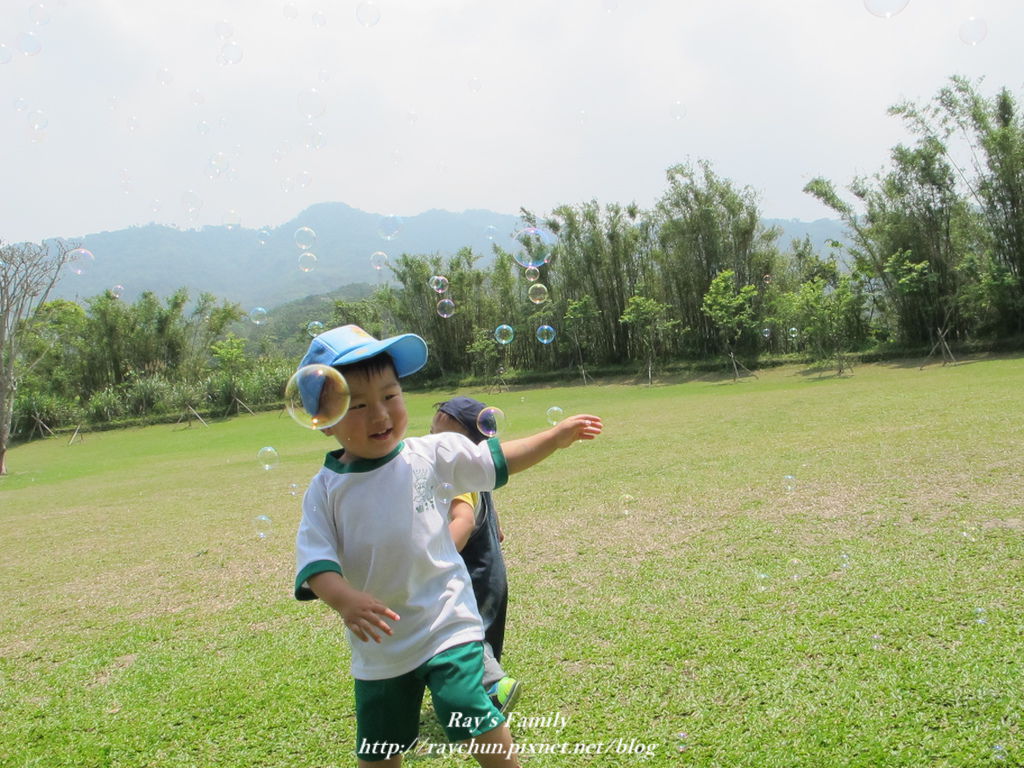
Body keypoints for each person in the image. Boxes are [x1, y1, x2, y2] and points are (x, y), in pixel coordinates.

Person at [292, 325, 603, 767]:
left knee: (469, 707)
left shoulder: (431, 454)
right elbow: (317, 563)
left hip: (446, 619)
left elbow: (497, 459)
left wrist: (553, 437)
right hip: (381, 642)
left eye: (390, 395)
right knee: (380, 744)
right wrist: (344, 600)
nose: (380, 414)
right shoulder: (325, 490)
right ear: (325, 421)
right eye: (358, 405)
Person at [430, 397, 518, 715]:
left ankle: (495, 685)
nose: (432, 442)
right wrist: (497, 526)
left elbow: (464, 520)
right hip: (492, 572)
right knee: (483, 633)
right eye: (431, 434)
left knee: (462, 633)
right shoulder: (473, 475)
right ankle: (486, 688)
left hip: (471, 574)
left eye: (443, 437)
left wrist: (435, 559)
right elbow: (487, 511)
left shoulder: (456, 477)